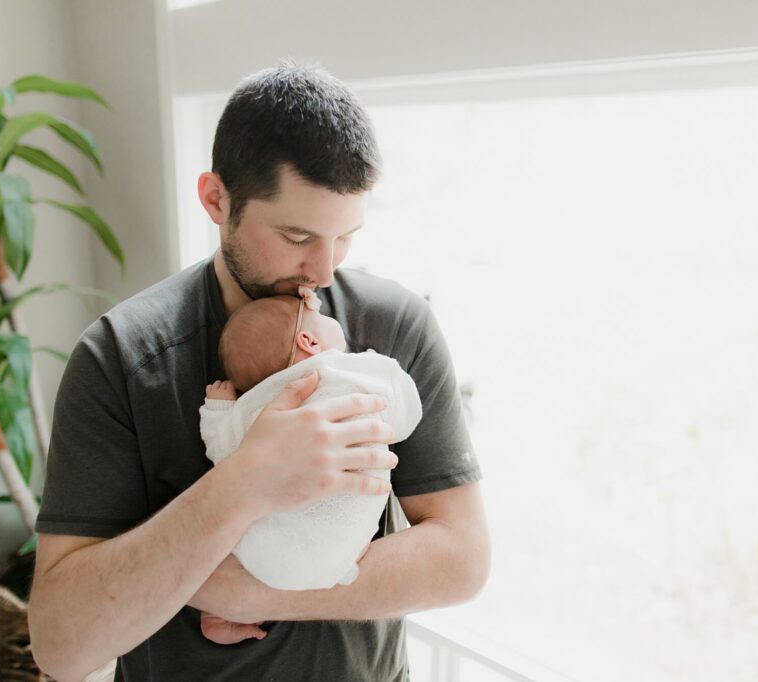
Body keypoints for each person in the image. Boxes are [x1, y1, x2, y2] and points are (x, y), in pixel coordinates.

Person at [28, 60, 489, 681]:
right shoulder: (120, 359)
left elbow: (462, 560)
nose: (323, 272)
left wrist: (248, 592)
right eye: (297, 236)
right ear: (217, 200)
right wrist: (246, 482)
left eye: (345, 237)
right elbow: (63, 648)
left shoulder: (394, 327)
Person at [197, 287, 423, 644]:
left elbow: (219, 448)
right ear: (309, 340)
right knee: (350, 519)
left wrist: (218, 407)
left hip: (259, 558)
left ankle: (215, 612)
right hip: (338, 557)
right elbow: (408, 413)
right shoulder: (352, 373)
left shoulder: (253, 406)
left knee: (228, 529)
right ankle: (346, 555)